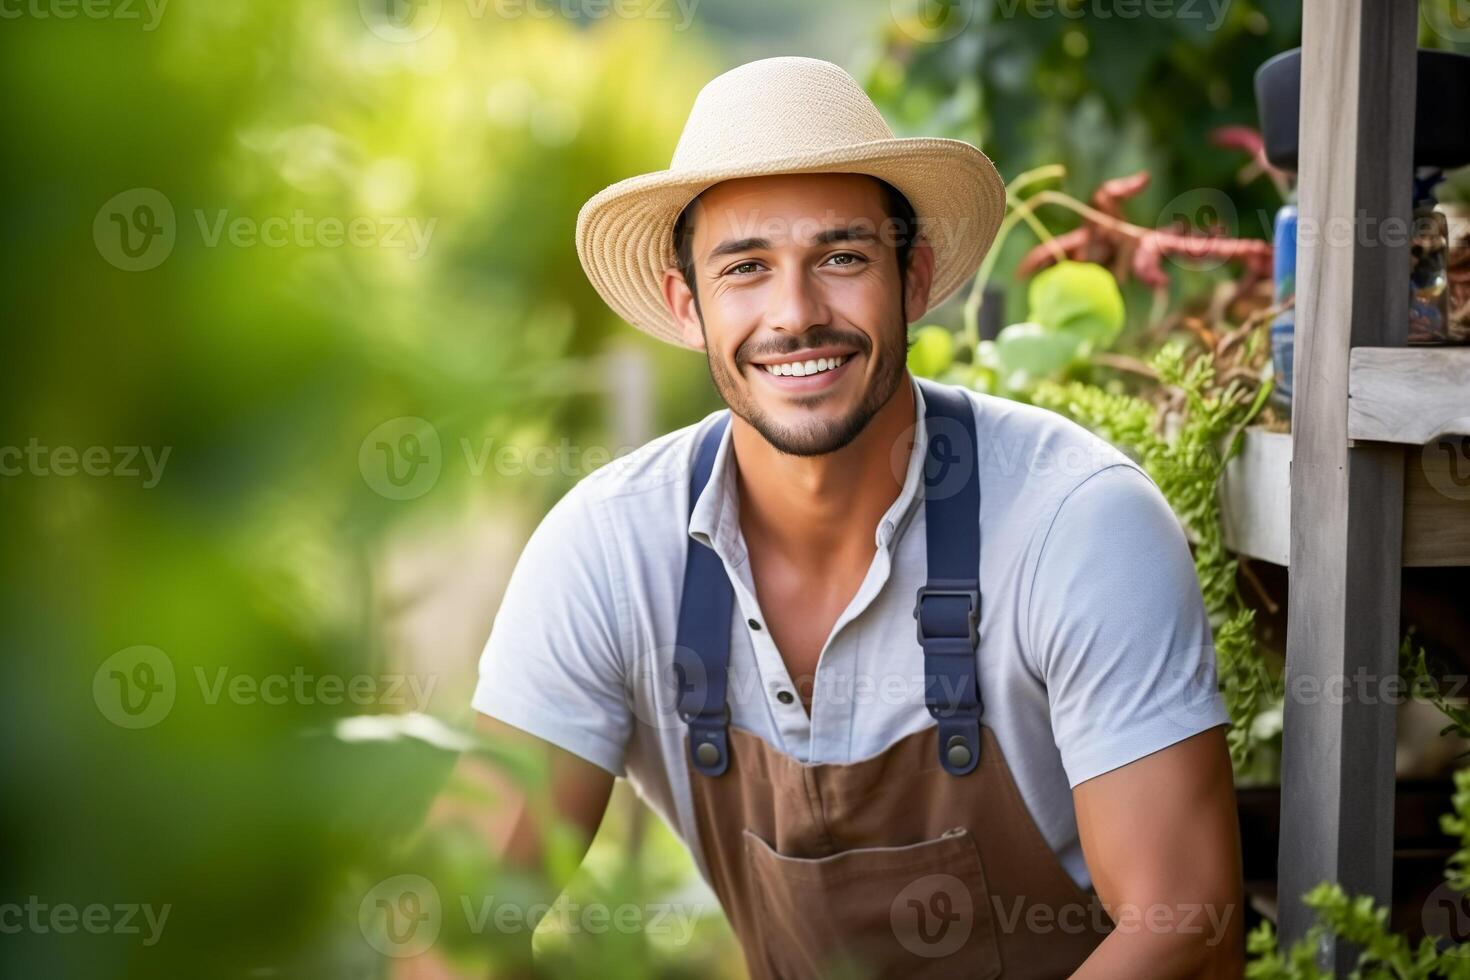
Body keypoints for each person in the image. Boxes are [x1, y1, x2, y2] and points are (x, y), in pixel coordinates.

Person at [464, 56, 1243, 978]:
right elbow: (461, 919)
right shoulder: (608, 552)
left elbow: (1184, 926)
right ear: (687, 307)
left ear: (912, 280)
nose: (795, 315)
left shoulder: (1074, 523)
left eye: (841, 257)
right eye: (745, 268)